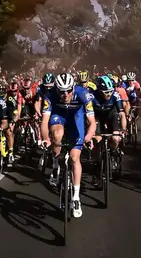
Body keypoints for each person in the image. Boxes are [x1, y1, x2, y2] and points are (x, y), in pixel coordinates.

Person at [39, 73, 96, 218]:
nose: (66, 94)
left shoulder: (83, 94)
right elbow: (45, 121)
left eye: (69, 90)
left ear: (73, 88)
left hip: (76, 119)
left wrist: (88, 137)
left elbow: (92, 122)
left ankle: (76, 197)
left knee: (74, 158)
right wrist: (46, 139)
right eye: (62, 91)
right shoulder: (50, 95)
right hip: (59, 116)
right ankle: (56, 163)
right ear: (56, 90)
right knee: (57, 134)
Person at [90, 75, 127, 184]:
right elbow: (88, 116)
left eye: (110, 91)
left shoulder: (115, 95)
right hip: (97, 117)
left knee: (115, 138)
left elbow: (122, 114)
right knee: (97, 140)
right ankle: (96, 166)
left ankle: (114, 151)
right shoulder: (92, 96)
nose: (108, 94)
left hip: (111, 116)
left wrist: (123, 130)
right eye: (106, 92)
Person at [4, 81, 24, 166]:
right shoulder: (7, 94)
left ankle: (11, 153)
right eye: (12, 91)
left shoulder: (19, 96)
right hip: (9, 109)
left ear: (17, 90)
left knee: (10, 131)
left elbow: (18, 112)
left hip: (16, 109)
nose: (13, 92)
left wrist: (14, 121)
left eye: (15, 91)